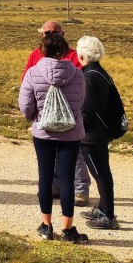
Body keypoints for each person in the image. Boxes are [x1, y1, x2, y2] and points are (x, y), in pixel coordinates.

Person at [18, 32, 88, 244]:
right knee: (67, 180)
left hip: (43, 133)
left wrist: (35, 118)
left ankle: (46, 225)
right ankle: (68, 229)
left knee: (46, 178)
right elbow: (81, 101)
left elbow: (26, 106)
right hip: (71, 133)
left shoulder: (32, 73)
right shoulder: (78, 74)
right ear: (64, 51)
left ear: (42, 50)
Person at [76, 35, 121, 230]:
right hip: (100, 132)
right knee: (102, 171)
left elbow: (87, 109)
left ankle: (108, 215)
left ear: (82, 55)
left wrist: (77, 128)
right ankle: (102, 207)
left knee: (100, 174)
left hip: (92, 136)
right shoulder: (100, 73)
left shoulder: (89, 77)